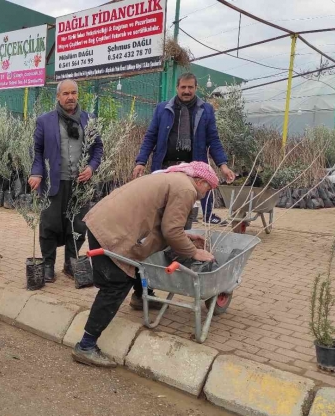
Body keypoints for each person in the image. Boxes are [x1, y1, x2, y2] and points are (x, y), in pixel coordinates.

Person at [72, 162, 218, 367]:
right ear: (200, 181)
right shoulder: (186, 189)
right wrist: (194, 252)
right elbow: (171, 231)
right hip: (114, 232)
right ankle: (86, 346)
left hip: (104, 221)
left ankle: (140, 298)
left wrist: (184, 235)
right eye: (209, 188)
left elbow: (161, 219)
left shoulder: (173, 179)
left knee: (135, 264)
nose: (207, 193)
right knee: (115, 286)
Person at [133, 73, 235, 225]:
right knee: (161, 206)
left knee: (185, 210)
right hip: (165, 167)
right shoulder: (163, 109)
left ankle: (182, 240)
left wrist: (223, 166)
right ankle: (162, 241)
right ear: (177, 88)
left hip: (192, 171)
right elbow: (150, 137)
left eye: (190, 87)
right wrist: (141, 161)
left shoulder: (206, 110)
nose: (186, 91)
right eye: (183, 87)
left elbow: (213, 140)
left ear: (196, 88)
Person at [28, 79, 103, 282]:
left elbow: (98, 149)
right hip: (54, 183)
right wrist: (36, 173)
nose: (70, 97)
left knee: (77, 225)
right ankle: (48, 265)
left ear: (78, 95)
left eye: (74, 93)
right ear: (58, 97)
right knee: (49, 224)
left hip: (79, 184)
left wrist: (91, 167)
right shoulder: (45, 121)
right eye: (65, 94)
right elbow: (36, 150)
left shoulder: (89, 120)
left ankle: (71, 264)